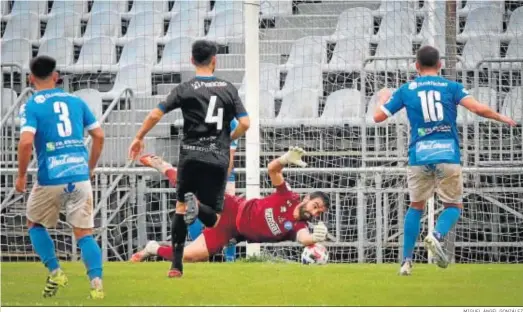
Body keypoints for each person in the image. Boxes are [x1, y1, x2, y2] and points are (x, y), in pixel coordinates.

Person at [373, 45, 516, 276]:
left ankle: (406, 262)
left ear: (416, 66)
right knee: (454, 206)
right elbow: (478, 109)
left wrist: (382, 98)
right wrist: (501, 116)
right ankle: (437, 235)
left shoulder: (406, 89)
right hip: (447, 153)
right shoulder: (451, 87)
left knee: (416, 207)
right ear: (440, 65)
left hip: (419, 155)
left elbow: (378, 117)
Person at [128, 40, 250, 278]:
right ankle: (199, 204)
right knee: (214, 218)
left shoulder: (185, 88)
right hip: (217, 157)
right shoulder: (228, 88)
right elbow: (245, 123)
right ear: (215, 60)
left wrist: (139, 136)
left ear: (192, 60)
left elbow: (155, 113)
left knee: (181, 209)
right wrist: (227, 139)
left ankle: (176, 266)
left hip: (190, 155)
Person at [130, 148, 330, 263]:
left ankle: (152, 248)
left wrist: (314, 238)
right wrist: (285, 159)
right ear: (307, 198)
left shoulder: (298, 227)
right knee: (192, 189)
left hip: (230, 232)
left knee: (189, 257)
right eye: (315, 205)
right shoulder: (288, 195)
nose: (314, 212)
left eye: (318, 212)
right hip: (231, 207)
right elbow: (272, 169)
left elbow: (304, 238)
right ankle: (163, 166)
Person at [15, 56, 105, 298]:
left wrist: (21, 175)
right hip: (79, 174)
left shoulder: (31, 105)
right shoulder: (76, 101)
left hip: (51, 176)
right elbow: (99, 136)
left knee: (34, 223)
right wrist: (91, 167)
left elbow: (25, 143)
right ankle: (96, 285)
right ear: (56, 77)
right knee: (84, 233)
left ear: (30, 78)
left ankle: (55, 271)